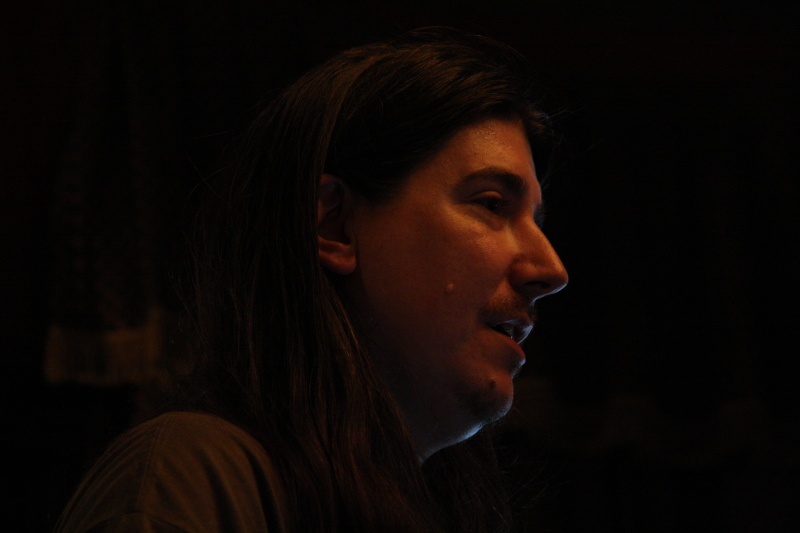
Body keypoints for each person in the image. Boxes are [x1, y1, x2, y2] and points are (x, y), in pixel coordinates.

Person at [55, 28, 568, 533]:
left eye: (537, 222)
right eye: (491, 204)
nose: (551, 270)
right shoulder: (187, 483)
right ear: (334, 226)